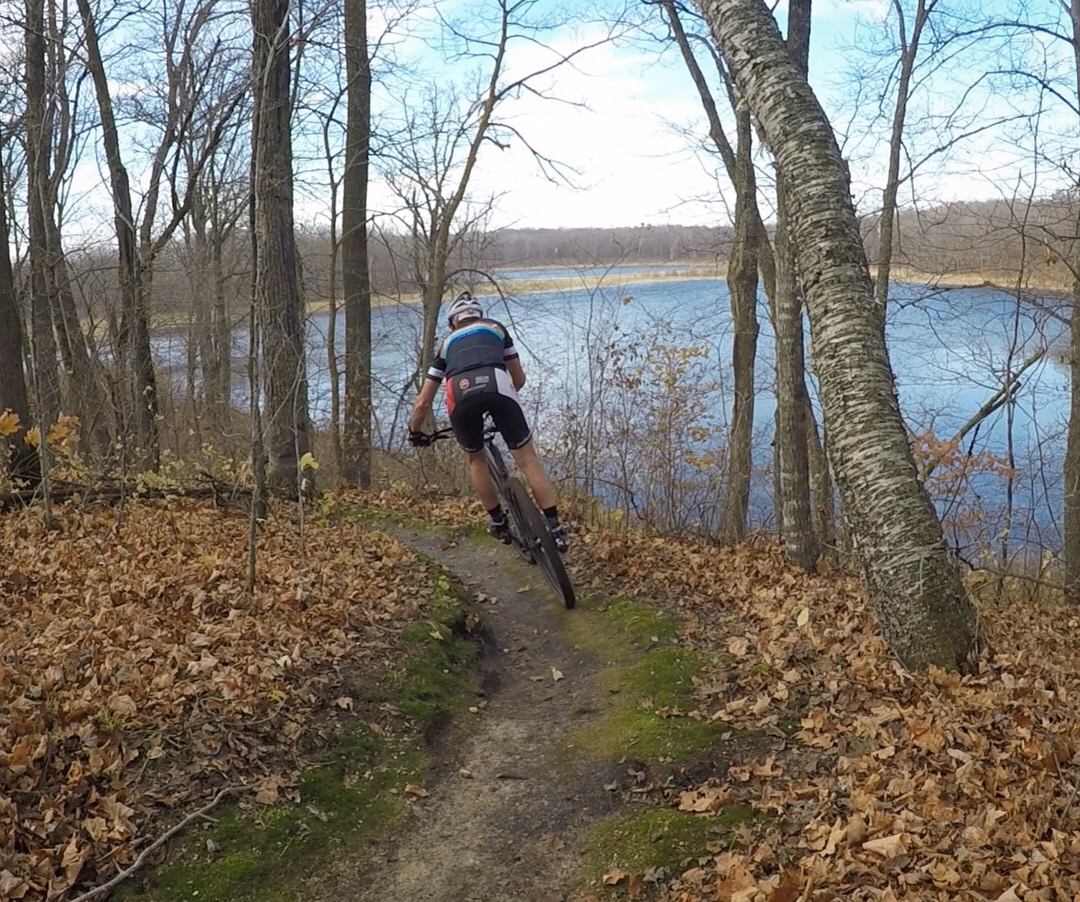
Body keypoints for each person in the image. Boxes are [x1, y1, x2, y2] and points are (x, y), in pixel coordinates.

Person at [407, 291, 569, 552]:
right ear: (478, 317)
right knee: (527, 460)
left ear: (452, 323)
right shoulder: (496, 328)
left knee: (476, 459)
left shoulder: (446, 344)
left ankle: (498, 521)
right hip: (498, 386)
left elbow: (423, 402)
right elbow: (518, 380)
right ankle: (556, 529)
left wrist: (414, 432)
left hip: (460, 396)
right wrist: (498, 398)